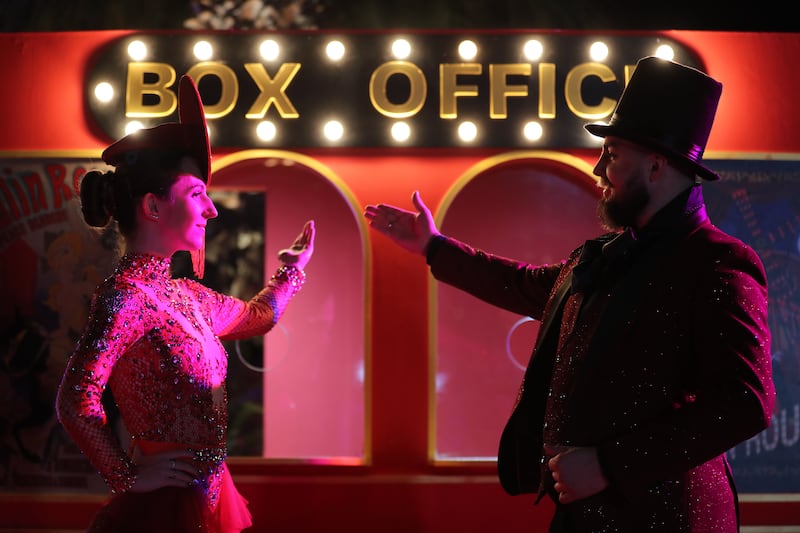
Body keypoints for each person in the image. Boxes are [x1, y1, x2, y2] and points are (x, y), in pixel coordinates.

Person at [364, 56, 775, 532]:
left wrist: (608, 465)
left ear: (657, 166)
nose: (600, 169)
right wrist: (434, 247)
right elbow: (526, 285)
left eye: (614, 153)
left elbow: (746, 401)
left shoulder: (719, 261)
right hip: (582, 518)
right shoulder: (603, 257)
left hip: (668, 520)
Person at [56, 75, 314, 533]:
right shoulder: (126, 298)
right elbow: (76, 399)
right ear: (153, 207)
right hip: (162, 511)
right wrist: (127, 475)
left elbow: (259, 317)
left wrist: (291, 271)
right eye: (197, 194)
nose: (212, 210)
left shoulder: (187, 296)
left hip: (211, 499)